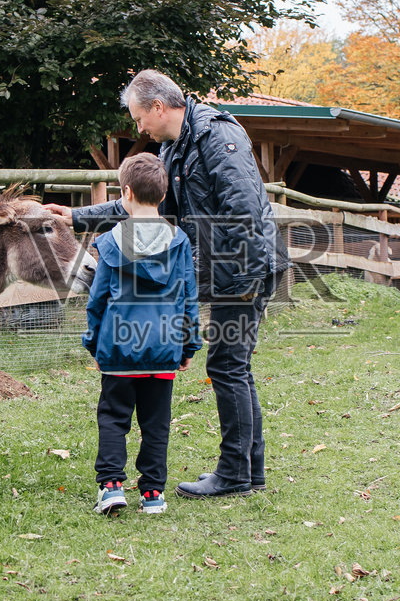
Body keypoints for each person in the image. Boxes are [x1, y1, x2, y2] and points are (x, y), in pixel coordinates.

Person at [51, 69, 287, 498]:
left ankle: (236, 473)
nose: (138, 127)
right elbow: (142, 202)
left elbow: (245, 212)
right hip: (227, 268)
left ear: (158, 107)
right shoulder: (175, 148)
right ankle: (248, 471)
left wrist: (221, 275)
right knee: (234, 368)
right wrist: (75, 217)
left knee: (228, 367)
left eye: (139, 117)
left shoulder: (217, 139)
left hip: (244, 267)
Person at [81, 153, 201, 515]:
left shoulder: (110, 242)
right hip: (163, 348)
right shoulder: (179, 242)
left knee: (114, 416)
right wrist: (188, 344)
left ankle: (112, 486)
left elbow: (97, 299)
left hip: (118, 348)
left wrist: (93, 340)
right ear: (162, 196)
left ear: (126, 192)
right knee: (156, 423)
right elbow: (188, 298)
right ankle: (152, 494)